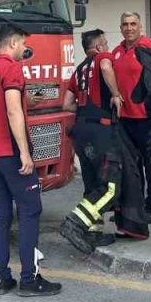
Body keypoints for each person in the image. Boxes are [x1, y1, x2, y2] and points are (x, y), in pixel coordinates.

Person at [0, 24, 62, 297]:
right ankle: (29, 280)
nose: (25, 50)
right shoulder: (11, 69)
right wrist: (24, 151)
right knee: (30, 212)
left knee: (0, 215)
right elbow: (12, 109)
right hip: (11, 154)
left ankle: (1, 278)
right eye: (23, 45)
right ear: (13, 43)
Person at [62, 28, 122, 248]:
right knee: (110, 187)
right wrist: (115, 94)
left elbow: (67, 104)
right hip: (101, 131)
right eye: (104, 43)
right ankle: (75, 223)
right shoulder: (101, 59)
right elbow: (106, 66)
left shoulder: (78, 70)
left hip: (81, 131)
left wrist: (85, 107)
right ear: (97, 47)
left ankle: (93, 232)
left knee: (92, 184)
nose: (107, 47)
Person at [112, 11, 151, 223]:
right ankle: (134, 208)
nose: (129, 28)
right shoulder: (117, 52)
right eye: (125, 24)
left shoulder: (150, 47)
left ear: (140, 26)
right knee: (131, 167)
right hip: (125, 119)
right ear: (121, 27)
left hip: (148, 117)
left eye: (133, 24)